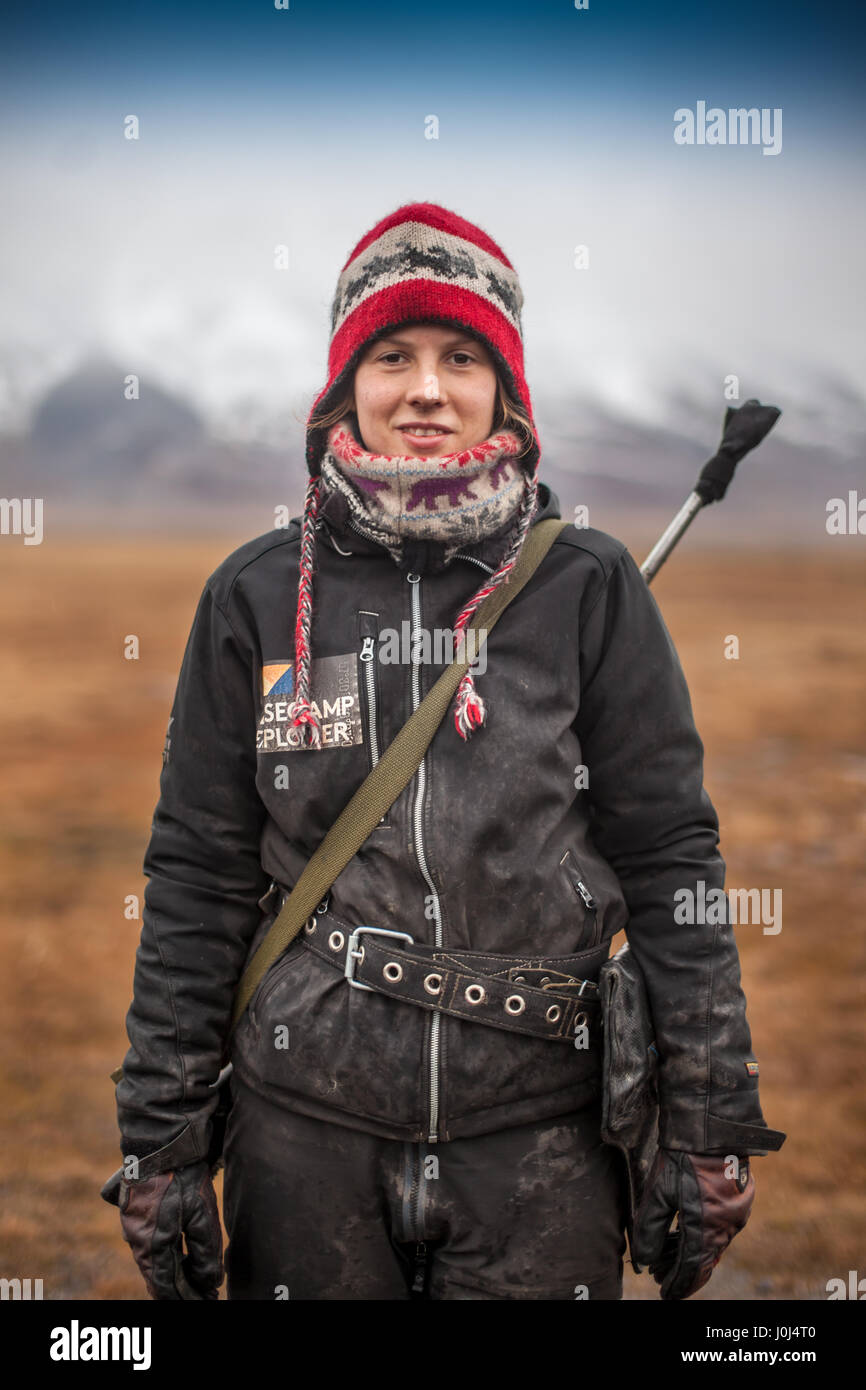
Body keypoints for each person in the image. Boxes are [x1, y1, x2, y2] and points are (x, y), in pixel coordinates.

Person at [102, 201, 785, 1301]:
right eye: (392, 354)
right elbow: (196, 873)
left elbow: (669, 859)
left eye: (462, 357)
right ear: (344, 388)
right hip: (303, 1141)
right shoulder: (257, 594)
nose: (426, 388)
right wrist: (161, 1140)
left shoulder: (585, 588)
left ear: (502, 392)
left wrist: (708, 1120)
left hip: (541, 1146)